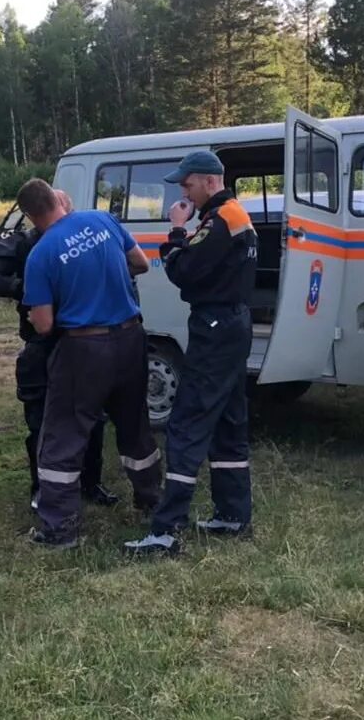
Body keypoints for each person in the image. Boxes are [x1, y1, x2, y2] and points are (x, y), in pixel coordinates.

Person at [16, 178, 163, 549]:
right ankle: (152, 502)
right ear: (58, 199)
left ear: (32, 216)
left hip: (84, 349)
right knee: (135, 426)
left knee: (62, 435)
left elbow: (45, 324)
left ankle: (61, 529)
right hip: (131, 338)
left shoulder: (41, 254)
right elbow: (141, 264)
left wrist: (40, 314)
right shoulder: (103, 220)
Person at [124, 150, 258, 556]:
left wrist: (177, 230)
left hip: (215, 327)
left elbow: (181, 271)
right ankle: (233, 514)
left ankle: (166, 531)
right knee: (230, 420)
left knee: (187, 422)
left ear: (209, 181)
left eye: (187, 184)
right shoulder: (236, 215)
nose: (183, 192)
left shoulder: (219, 221)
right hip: (234, 323)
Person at [0, 190, 118, 511]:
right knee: (42, 422)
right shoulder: (27, 243)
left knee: (92, 418)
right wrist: (24, 290)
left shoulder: (85, 236)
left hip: (83, 341)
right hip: (44, 345)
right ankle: (42, 489)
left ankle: (90, 483)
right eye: (59, 206)